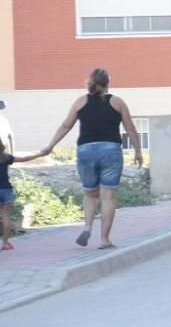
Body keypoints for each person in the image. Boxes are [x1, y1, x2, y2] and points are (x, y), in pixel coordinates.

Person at [43, 68, 144, 249]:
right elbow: (130, 128)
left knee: (90, 195)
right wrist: (138, 151)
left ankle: (88, 226)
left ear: (90, 82)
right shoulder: (118, 102)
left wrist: (50, 145)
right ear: (108, 83)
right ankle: (104, 239)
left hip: (86, 151)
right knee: (108, 197)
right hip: (110, 150)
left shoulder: (80, 102)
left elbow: (66, 126)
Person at [0, 133, 47, 251]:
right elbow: (24, 159)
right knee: (7, 217)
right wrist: (39, 154)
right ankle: (5, 243)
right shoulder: (6, 158)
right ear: (0, 145)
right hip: (7, 190)